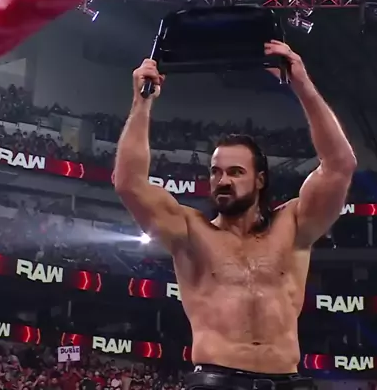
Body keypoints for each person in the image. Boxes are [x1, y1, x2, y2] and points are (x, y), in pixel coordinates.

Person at [114, 40, 356, 390]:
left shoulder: (293, 225)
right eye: (216, 172)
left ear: (260, 180)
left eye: (235, 172)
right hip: (217, 380)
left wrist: (301, 84)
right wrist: (142, 103)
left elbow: (339, 165)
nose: (223, 180)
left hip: (287, 381)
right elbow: (129, 183)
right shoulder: (190, 231)